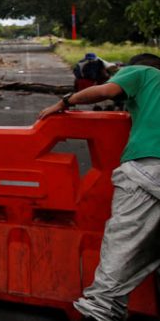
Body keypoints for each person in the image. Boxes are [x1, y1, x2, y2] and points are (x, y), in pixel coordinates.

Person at [37, 53, 160, 321]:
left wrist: (65, 101)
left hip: (149, 166)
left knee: (123, 241)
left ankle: (101, 309)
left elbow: (105, 91)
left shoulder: (143, 72)